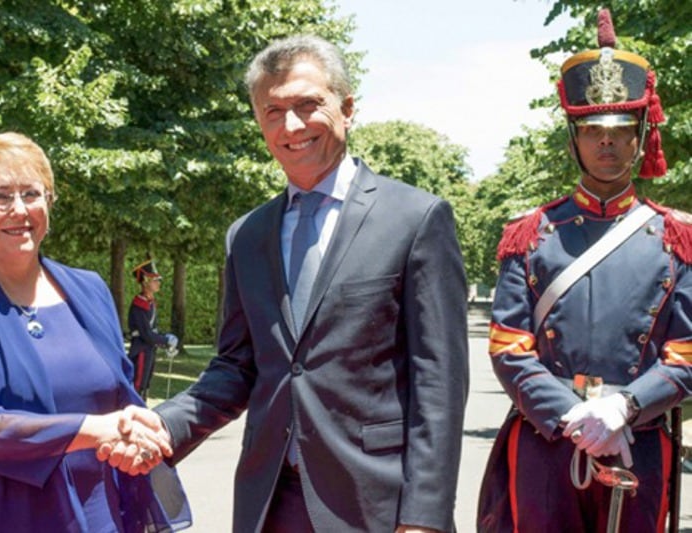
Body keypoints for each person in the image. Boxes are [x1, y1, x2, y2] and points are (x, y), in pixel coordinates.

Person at [105, 35, 469, 532]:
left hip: (376, 505)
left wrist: (424, 518)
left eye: (307, 104)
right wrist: (164, 423)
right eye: (273, 111)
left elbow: (438, 384)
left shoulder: (416, 219)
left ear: (347, 107)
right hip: (270, 504)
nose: (291, 125)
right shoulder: (246, 236)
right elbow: (235, 368)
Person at [0, 132, 191, 532]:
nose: (19, 210)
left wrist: (131, 434)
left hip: (94, 514)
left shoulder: (90, 289)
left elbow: (120, 393)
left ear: (49, 204)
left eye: (32, 194)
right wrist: (91, 429)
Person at [477, 9, 692, 532]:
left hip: (637, 442)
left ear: (642, 135)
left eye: (621, 130)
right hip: (545, 444)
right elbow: (509, 345)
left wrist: (625, 407)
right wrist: (573, 418)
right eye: (593, 129)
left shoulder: (677, 237)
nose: (607, 143)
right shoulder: (529, 233)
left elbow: (688, 350)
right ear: (573, 136)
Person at [127, 257, 179, 399]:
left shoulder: (150, 302)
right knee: (138, 386)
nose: (158, 283)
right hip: (141, 349)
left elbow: (152, 331)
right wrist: (165, 340)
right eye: (155, 280)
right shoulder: (140, 303)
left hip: (149, 348)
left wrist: (165, 342)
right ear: (145, 281)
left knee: (145, 385)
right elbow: (146, 334)